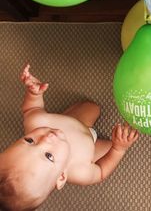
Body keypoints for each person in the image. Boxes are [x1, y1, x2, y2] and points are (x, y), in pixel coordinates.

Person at [0, 64, 139, 211]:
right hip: (89, 147)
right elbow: (102, 172)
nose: (47, 138)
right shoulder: (79, 171)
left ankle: (72, 118)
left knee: (92, 107)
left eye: (29, 141)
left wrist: (34, 94)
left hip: (75, 122)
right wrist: (118, 148)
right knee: (110, 147)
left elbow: (32, 108)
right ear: (61, 177)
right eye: (49, 156)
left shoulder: (36, 123)